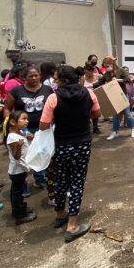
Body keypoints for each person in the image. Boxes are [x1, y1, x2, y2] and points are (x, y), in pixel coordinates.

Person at [39, 65, 101, 242]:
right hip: (82, 144)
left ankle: (60, 215)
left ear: (64, 81)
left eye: (57, 79)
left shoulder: (53, 98)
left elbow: (43, 125)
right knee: (77, 182)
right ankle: (72, 224)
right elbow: (97, 113)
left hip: (61, 145)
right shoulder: (89, 93)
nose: (55, 81)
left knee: (60, 180)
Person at [4, 66, 53, 190]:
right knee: (23, 157)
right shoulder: (16, 91)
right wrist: (14, 125)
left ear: (40, 75)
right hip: (23, 129)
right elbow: (7, 108)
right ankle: (22, 184)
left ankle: (40, 179)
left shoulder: (48, 89)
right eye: (30, 76)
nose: (34, 78)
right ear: (24, 78)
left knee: (41, 154)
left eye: (36, 75)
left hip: (43, 128)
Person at [4, 111, 37, 225]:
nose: (27, 121)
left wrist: (28, 138)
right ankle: (19, 216)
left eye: (27, 119)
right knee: (17, 193)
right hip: (17, 170)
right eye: (23, 119)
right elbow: (16, 156)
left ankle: (19, 210)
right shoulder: (13, 138)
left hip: (19, 170)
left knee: (16, 191)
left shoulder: (19, 133)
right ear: (13, 122)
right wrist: (18, 146)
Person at [97, 56, 134, 140]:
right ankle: (115, 132)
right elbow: (100, 82)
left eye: (108, 66)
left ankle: (133, 129)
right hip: (113, 95)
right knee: (115, 114)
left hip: (122, 94)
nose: (107, 68)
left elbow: (128, 80)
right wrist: (90, 86)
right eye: (105, 66)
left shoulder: (120, 70)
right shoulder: (107, 74)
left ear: (112, 63)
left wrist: (118, 80)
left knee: (127, 113)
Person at [83, 63, 101, 134]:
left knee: (96, 113)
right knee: (87, 113)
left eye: (91, 71)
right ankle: (87, 127)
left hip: (96, 97)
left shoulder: (97, 76)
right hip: (86, 98)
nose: (90, 73)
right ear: (85, 71)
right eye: (88, 71)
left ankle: (95, 127)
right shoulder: (83, 78)